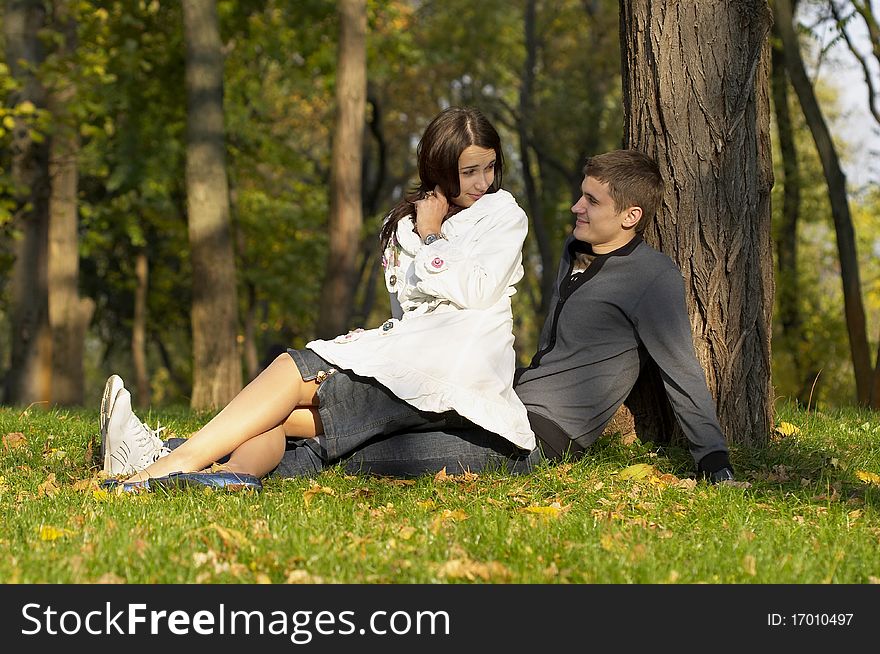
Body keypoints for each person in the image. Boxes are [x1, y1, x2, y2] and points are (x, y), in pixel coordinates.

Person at [100, 106, 538, 491]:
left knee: (292, 370)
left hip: (459, 367)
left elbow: (478, 290)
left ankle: (169, 461)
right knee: (279, 414)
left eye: (490, 168)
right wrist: (374, 344)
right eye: (469, 172)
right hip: (413, 361)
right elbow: (409, 313)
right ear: (439, 169)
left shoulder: (502, 215)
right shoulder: (401, 225)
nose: (483, 182)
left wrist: (431, 235)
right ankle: (230, 477)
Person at [267, 149, 734, 483]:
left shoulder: (652, 278)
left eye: (593, 201)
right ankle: (224, 445)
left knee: (369, 454)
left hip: (539, 440)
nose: (577, 207)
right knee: (376, 408)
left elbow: (683, 372)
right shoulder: (575, 251)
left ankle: (229, 464)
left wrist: (714, 461)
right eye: (581, 195)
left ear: (631, 216)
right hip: (500, 401)